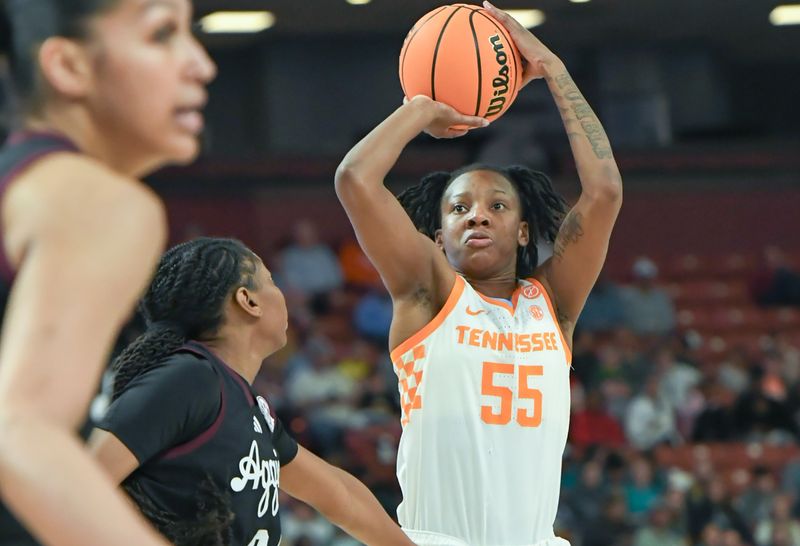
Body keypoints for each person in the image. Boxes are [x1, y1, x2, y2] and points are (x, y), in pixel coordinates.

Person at [333, 2, 623, 544]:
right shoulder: (427, 295)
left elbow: (604, 190)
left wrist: (554, 71)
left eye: (496, 205)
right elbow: (355, 179)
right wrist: (422, 108)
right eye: (459, 208)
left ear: (521, 230)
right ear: (437, 238)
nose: (478, 215)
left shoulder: (552, 307)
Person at [0, 0, 216, 544]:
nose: (201, 64)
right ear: (69, 67)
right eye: (161, 34)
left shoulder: (27, 184)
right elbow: (19, 430)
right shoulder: (101, 201)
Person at [88, 238, 416, 546]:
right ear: (248, 300)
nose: (283, 292)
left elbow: (338, 494)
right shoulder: (189, 378)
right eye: (272, 280)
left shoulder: (246, 401)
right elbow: (80, 483)